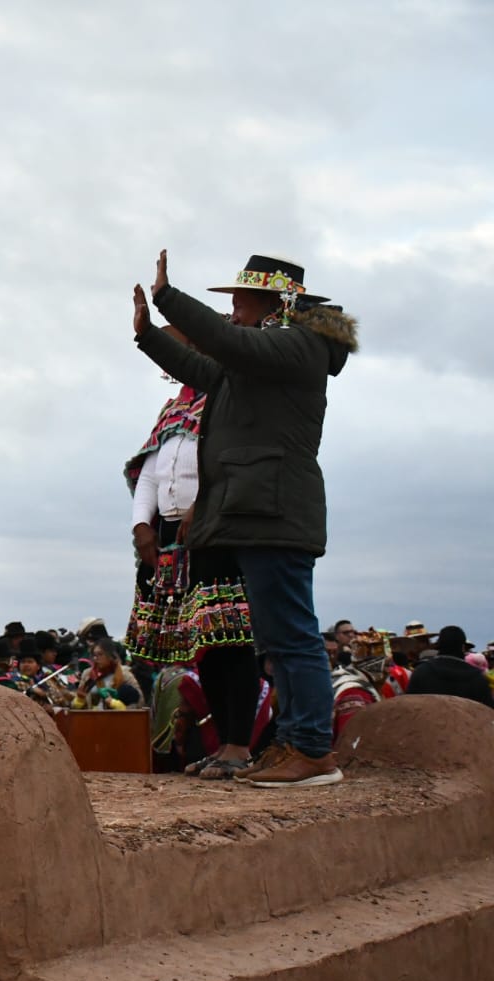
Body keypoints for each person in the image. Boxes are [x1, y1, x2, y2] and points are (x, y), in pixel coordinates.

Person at [133, 250, 357, 787]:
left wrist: (169, 298)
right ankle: (292, 746)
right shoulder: (260, 360)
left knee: (292, 636)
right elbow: (204, 366)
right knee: (278, 639)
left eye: (239, 300)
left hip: (273, 508)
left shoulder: (298, 344)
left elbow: (226, 343)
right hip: (257, 509)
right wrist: (148, 335)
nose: (232, 310)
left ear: (275, 305)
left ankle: (310, 750)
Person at [124, 361, 262, 780]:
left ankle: (240, 745)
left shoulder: (229, 402)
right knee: (201, 644)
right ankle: (224, 745)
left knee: (231, 637)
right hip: (171, 537)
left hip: (217, 532)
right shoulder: (172, 411)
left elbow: (228, 467)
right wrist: (141, 524)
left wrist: (203, 510)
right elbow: (151, 473)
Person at [407, 626, 493, 707]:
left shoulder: (421, 672)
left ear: (438, 645)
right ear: (463, 647)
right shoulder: (478, 678)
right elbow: (488, 713)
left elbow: (408, 708)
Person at [76, 638, 143, 709]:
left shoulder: (124, 673)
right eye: (94, 655)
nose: (95, 658)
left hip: (118, 718)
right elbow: (78, 705)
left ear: (110, 656)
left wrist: (120, 707)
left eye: (100, 654)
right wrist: (79, 700)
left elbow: (140, 701)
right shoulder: (88, 674)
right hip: (92, 718)